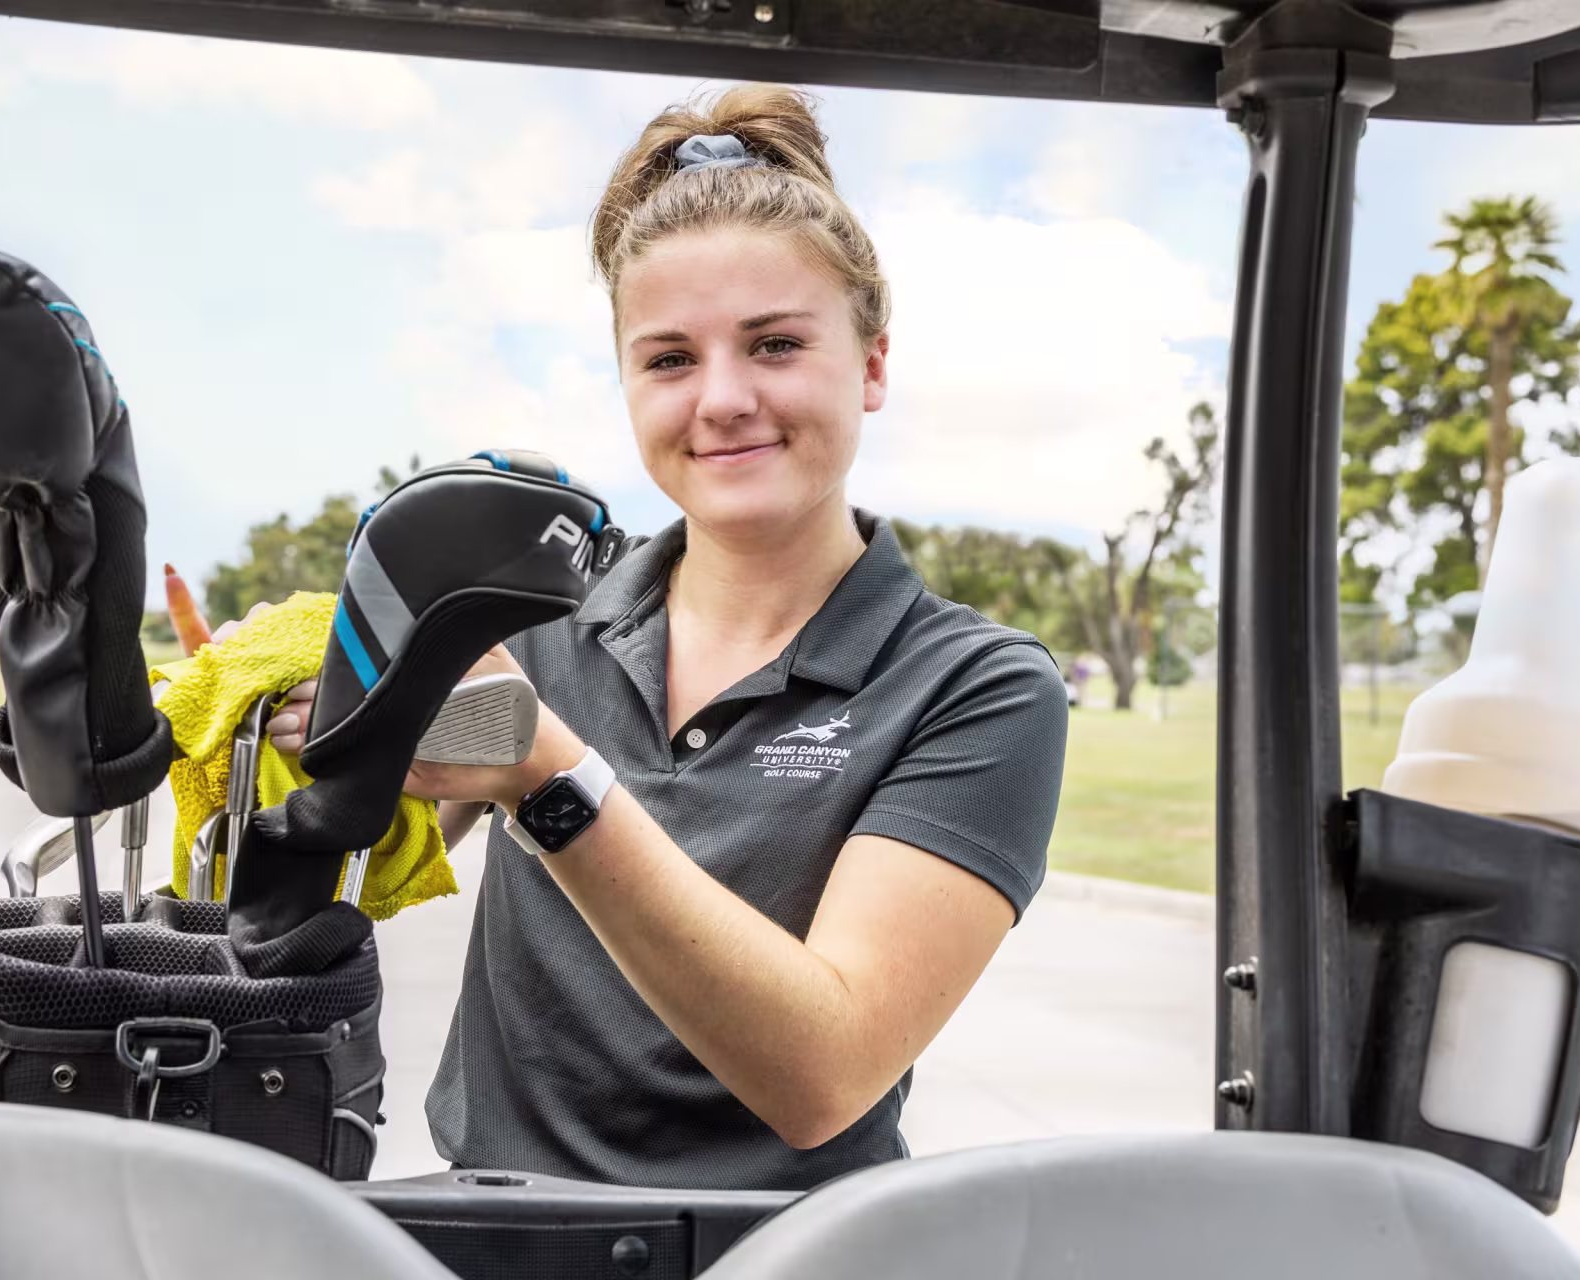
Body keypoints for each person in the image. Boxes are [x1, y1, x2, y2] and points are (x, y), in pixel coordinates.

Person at [217, 84, 1069, 1192]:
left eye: (773, 343)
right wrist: (288, 723)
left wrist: (546, 774)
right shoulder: (531, 618)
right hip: (489, 1228)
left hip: (795, 1250)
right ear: (625, 379)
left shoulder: (978, 685)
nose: (721, 399)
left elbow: (826, 1069)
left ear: (870, 364)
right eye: (669, 358)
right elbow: (381, 848)